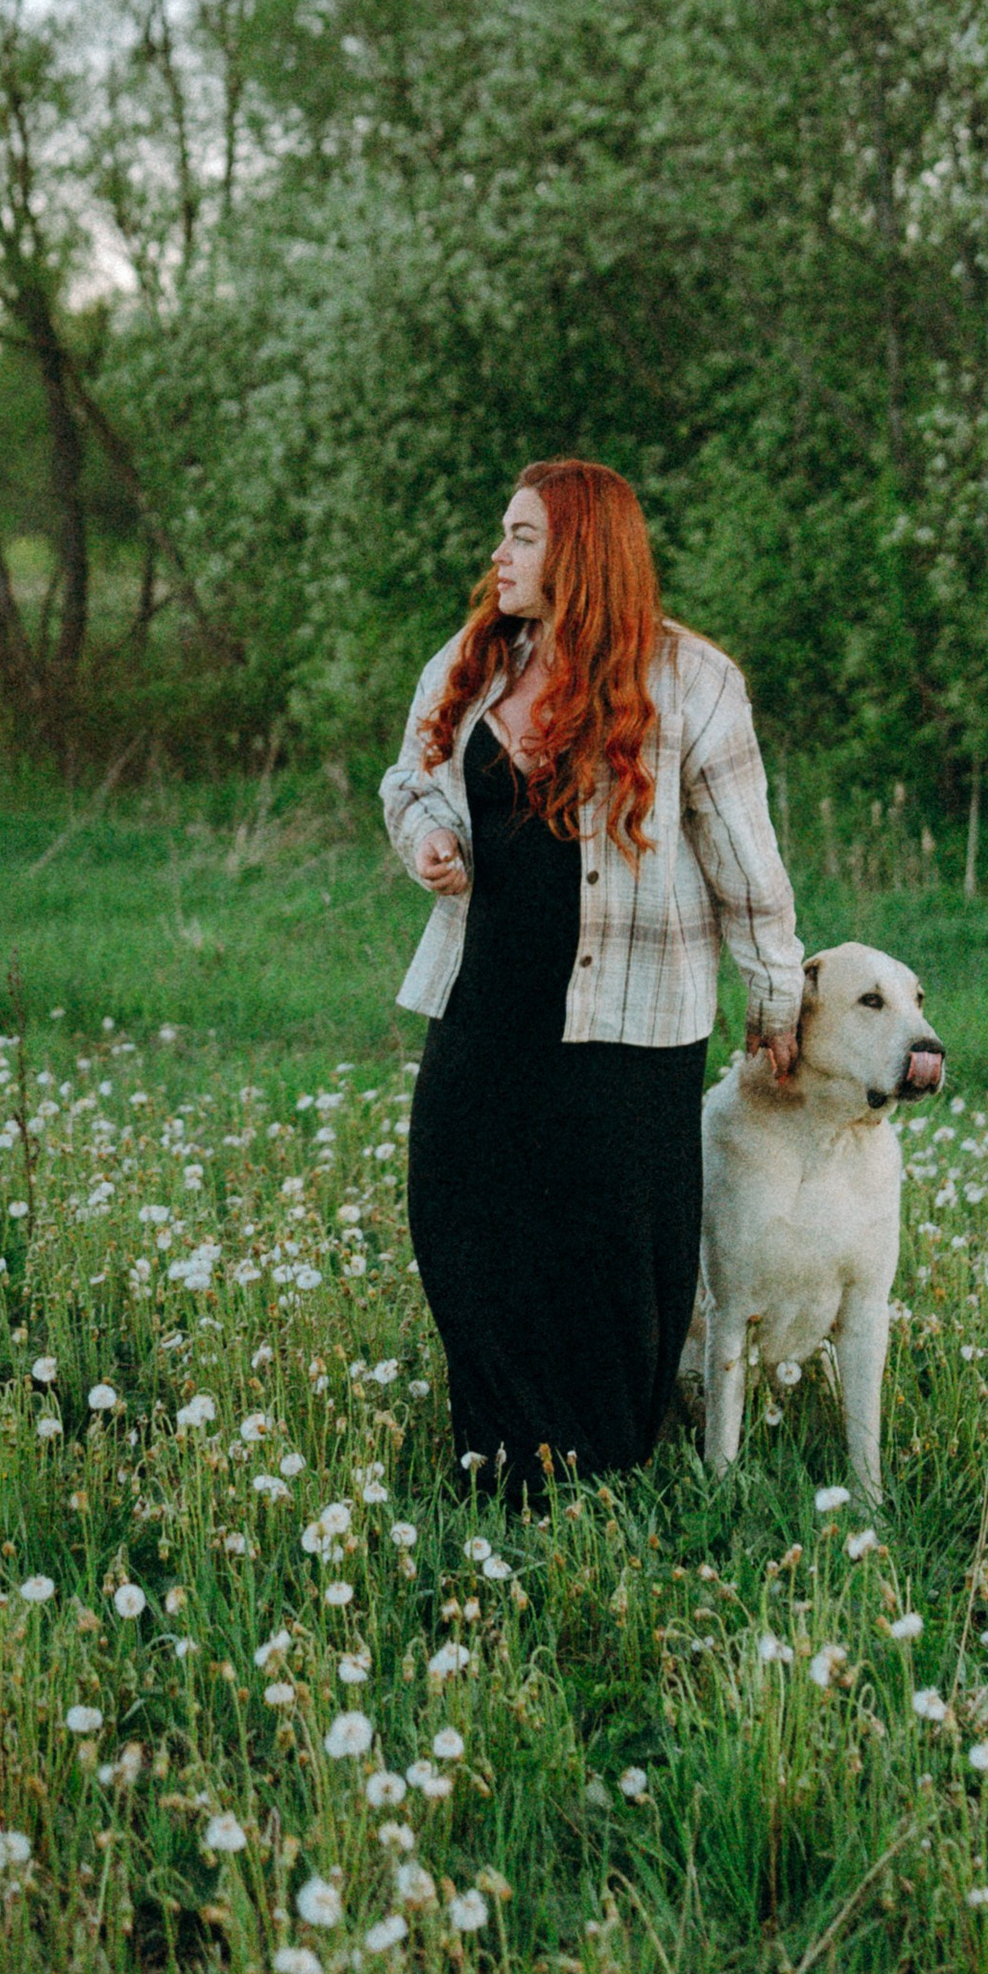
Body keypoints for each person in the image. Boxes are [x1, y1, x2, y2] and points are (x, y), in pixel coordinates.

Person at [379, 458, 806, 1498]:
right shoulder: (475, 659)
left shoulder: (694, 683)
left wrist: (776, 993)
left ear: (579, 552)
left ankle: (595, 1465)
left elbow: (748, 864)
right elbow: (411, 781)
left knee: (610, 1245)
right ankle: (496, 1449)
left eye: (522, 535)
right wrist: (429, 835)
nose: (500, 554)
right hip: (484, 996)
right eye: (506, 533)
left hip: (630, 1010)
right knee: (460, 1213)